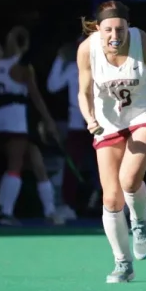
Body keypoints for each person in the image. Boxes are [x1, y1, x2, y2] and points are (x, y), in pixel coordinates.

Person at [77, 1, 146, 283]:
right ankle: (122, 264)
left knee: (129, 179)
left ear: (128, 27)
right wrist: (89, 117)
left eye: (120, 29)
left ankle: (140, 221)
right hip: (108, 120)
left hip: (145, 112)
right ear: (98, 29)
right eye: (108, 29)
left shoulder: (145, 44)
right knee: (111, 198)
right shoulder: (87, 50)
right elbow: (84, 92)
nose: (115, 35)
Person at [0, 30, 60, 225]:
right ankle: (5, 209)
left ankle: (50, 210)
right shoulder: (18, 66)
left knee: (35, 161)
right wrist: (49, 120)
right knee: (16, 164)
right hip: (15, 120)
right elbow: (36, 97)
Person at [48, 36, 93, 215]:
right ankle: (68, 204)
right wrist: (60, 58)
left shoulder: (107, 66)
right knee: (72, 164)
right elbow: (52, 86)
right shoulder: (73, 68)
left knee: (109, 164)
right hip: (77, 123)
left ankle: (115, 205)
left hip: (103, 123)